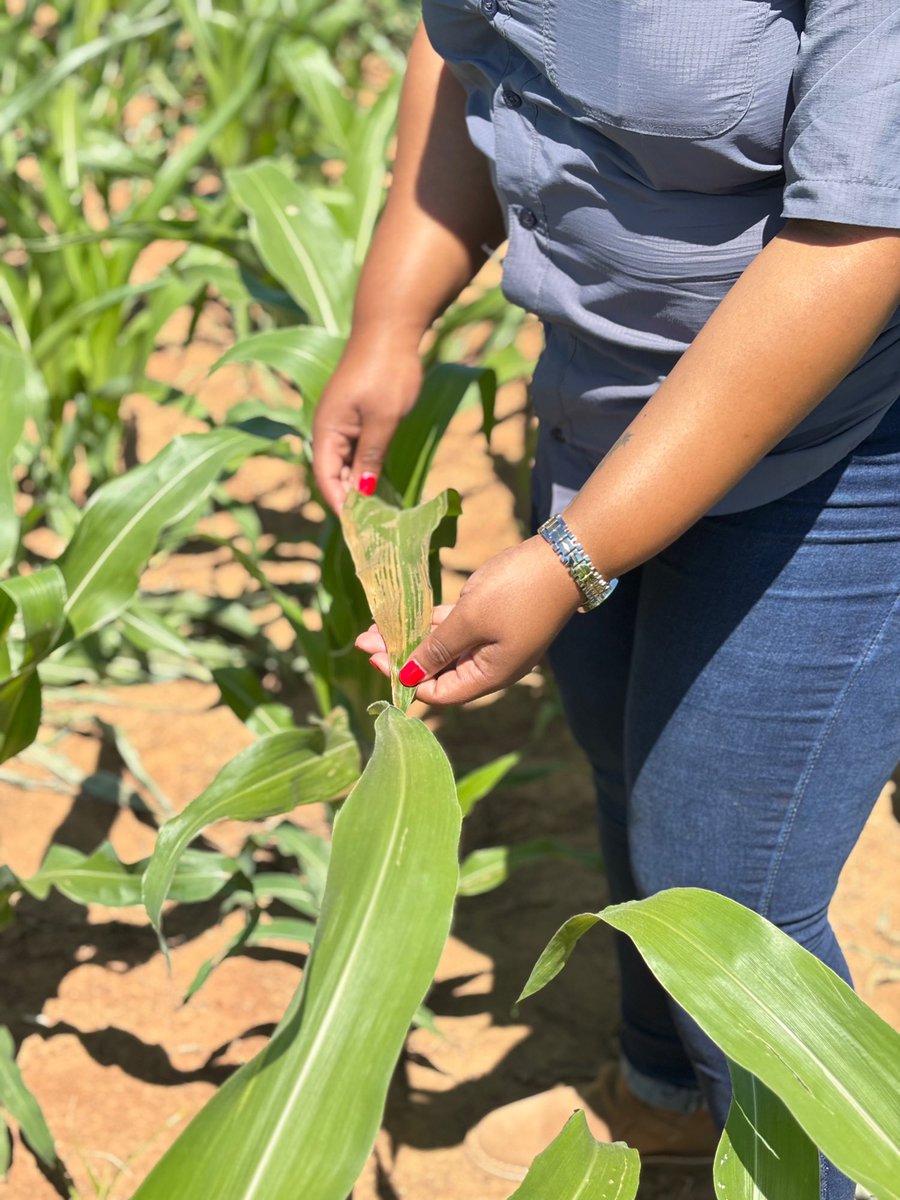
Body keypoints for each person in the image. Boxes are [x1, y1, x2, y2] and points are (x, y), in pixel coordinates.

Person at [312, 3, 900, 1197]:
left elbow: (862, 238)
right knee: (625, 761)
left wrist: (571, 558)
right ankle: (670, 1087)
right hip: (599, 404)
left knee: (724, 890)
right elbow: (478, 42)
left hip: (841, 445)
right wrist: (391, 315)